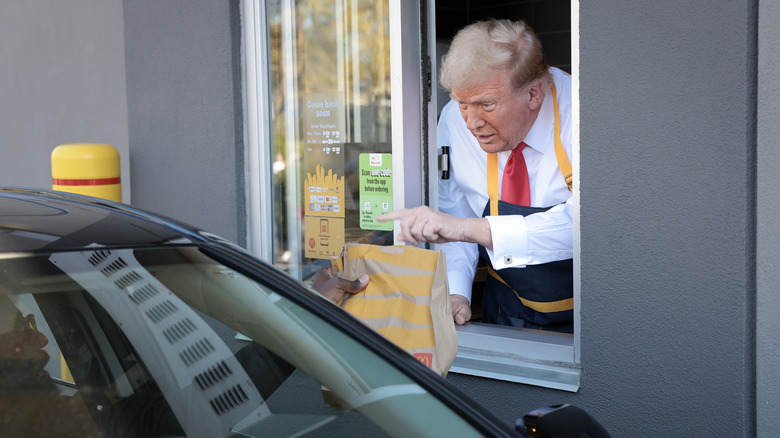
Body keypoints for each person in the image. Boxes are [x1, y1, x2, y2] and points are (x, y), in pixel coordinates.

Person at [378, 19, 573, 332]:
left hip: (585, 325)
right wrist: (456, 292)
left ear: (534, 94)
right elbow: (456, 216)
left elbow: (586, 226)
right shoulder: (454, 121)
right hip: (505, 311)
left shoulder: (580, 116)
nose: (471, 122)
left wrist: (467, 228)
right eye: (462, 103)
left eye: (486, 104)